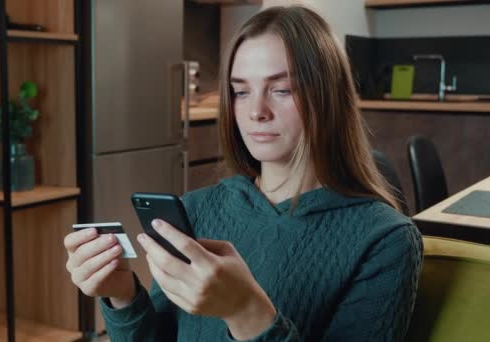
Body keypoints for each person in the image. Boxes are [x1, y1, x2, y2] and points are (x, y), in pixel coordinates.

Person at [64, 5, 422, 341]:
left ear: (328, 97)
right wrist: (123, 296)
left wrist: (246, 310)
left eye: (281, 89)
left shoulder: (386, 240)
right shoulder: (196, 209)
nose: (256, 111)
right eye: (240, 91)